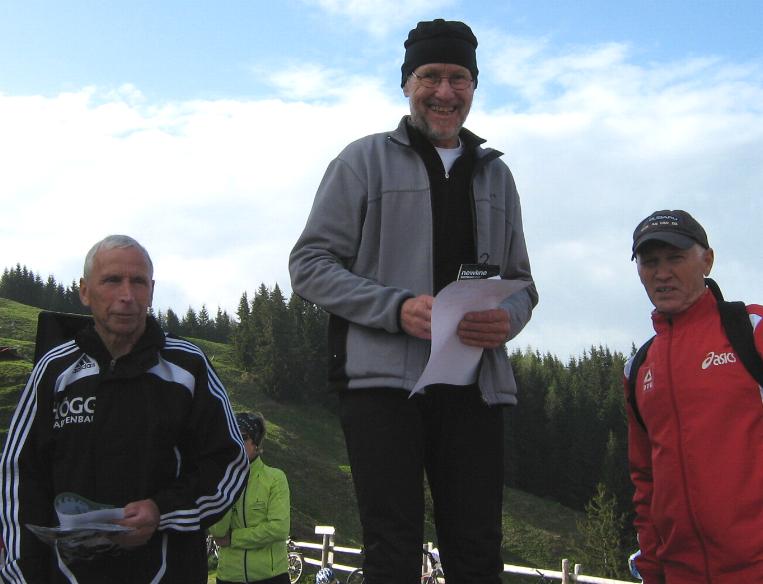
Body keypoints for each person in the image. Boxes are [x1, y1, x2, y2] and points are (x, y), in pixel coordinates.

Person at [289, 18, 537, 584]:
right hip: (382, 389)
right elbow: (309, 266)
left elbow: (523, 283)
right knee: (392, 551)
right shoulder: (361, 161)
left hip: (476, 387)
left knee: (478, 552)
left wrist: (506, 319)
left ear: (474, 86)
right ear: (406, 83)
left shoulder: (498, 176)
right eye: (430, 76)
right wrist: (395, 309)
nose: (444, 92)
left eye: (458, 78)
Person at [0, 235, 250, 583]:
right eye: (112, 280)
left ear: (152, 290)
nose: (127, 295)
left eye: (139, 282)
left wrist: (161, 510)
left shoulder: (188, 368)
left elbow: (229, 462)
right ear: (85, 291)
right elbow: (19, 475)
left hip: (168, 572)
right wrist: (23, 575)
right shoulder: (54, 371)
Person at [625, 210, 763, 583]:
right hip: (679, 574)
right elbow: (645, 480)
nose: (662, 273)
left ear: (707, 261)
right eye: (650, 262)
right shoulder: (638, 367)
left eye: (675, 258)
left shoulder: (751, 330)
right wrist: (651, 569)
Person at [209, 412, 291, 584]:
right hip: (229, 577)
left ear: (256, 444)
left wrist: (233, 538)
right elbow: (218, 532)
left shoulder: (275, 478)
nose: (235, 442)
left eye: (243, 437)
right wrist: (228, 482)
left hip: (270, 577)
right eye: (231, 436)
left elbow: (279, 528)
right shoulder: (221, 478)